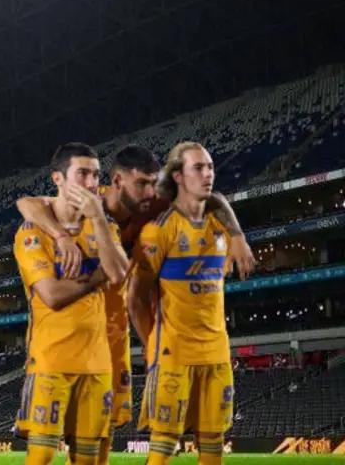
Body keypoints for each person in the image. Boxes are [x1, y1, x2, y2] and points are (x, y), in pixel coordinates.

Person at [13, 144, 255, 465]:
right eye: (141, 183)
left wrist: (237, 236)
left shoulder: (153, 205)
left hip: (112, 336)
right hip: (77, 330)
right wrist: (61, 235)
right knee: (51, 448)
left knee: (102, 434)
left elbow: (214, 198)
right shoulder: (91, 198)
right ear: (116, 181)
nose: (149, 191)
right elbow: (27, 203)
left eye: (153, 183)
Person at [12, 143, 129, 465]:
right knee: (42, 457)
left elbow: (118, 274)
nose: (91, 183)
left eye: (95, 175)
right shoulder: (33, 232)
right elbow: (52, 295)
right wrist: (94, 278)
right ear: (58, 179)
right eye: (83, 174)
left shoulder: (105, 227)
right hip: (51, 361)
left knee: (90, 461)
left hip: (98, 364)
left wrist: (99, 220)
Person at [129, 142, 240, 465]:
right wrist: (152, 344)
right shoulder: (159, 231)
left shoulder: (220, 225)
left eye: (210, 167)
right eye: (198, 168)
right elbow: (135, 297)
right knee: (163, 447)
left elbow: (219, 201)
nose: (208, 174)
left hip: (217, 354)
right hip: (173, 355)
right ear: (178, 175)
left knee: (213, 446)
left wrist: (239, 236)